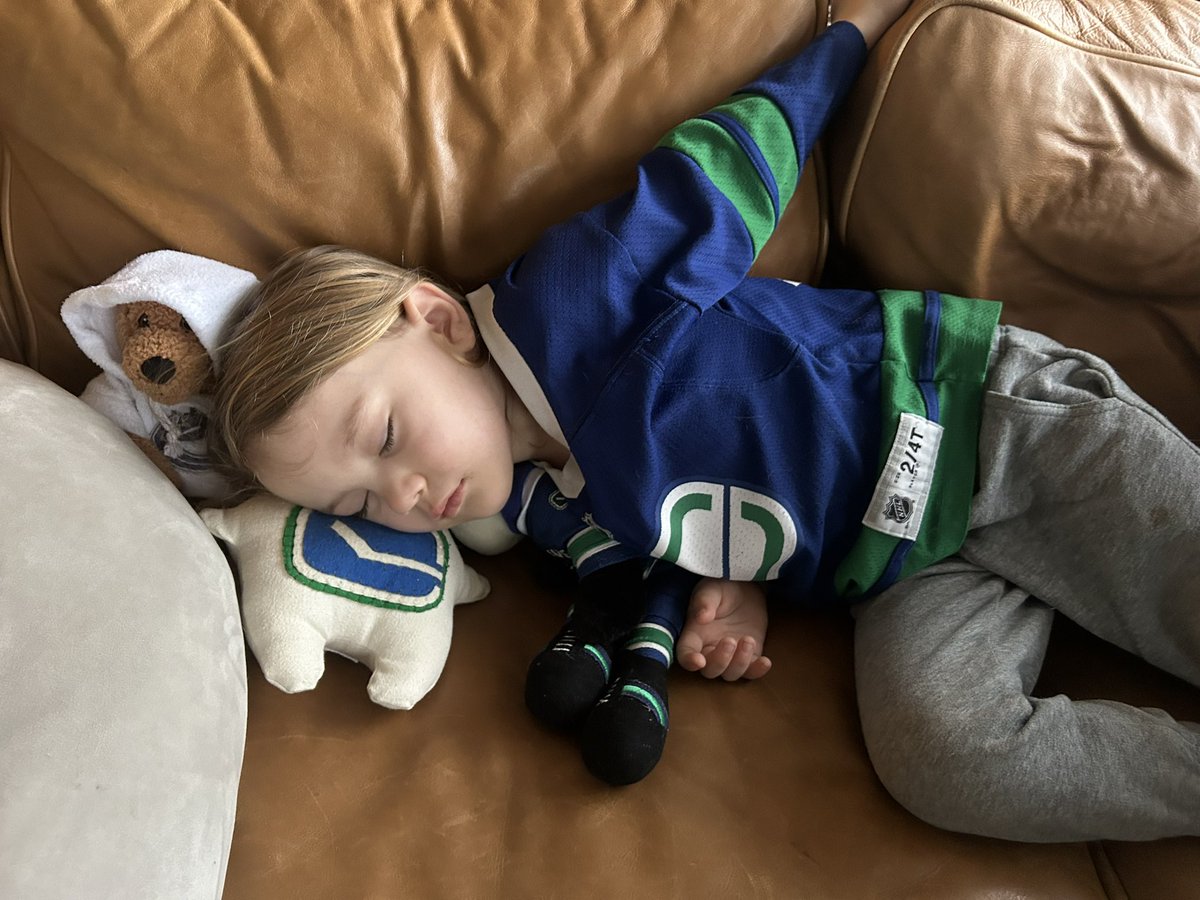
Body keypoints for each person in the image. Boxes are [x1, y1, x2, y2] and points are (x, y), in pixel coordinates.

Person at [210, 0, 1200, 842]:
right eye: (355, 501)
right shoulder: (540, 517)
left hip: (983, 420)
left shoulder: (573, 299)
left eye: (385, 440)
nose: (404, 497)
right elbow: (683, 506)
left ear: (434, 321)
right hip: (897, 565)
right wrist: (732, 587)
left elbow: (728, 168)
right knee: (945, 762)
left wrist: (856, 23)